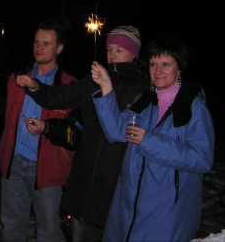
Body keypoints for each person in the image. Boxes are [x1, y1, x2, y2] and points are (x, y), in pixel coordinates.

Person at [17, 25, 149, 242]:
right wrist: (35, 86)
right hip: (84, 181)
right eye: (109, 50)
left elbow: (120, 133)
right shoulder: (93, 81)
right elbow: (62, 95)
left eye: (119, 50)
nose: (112, 55)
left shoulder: (142, 89)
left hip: (118, 184)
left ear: (134, 54)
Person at [90, 36, 215, 241]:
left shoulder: (193, 108)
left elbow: (202, 159)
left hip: (167, 210)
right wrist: (106, 88)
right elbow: (115, 131)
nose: (158, 71)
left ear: (179, 69)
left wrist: (149, 140)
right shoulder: (145, 101)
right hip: (130, 202)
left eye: (166, 65)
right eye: (153, 64)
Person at [0, 18, 77, 242]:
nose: (39, 48)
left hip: (47, 171)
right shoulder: (18, 78)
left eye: (46, 43)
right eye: (36, 42)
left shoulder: (69, 85)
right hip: (13, 164)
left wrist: (47, 128)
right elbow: (4, 114)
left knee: (49, 233)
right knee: (12, 229)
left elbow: (75, 131)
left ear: (59, 48)